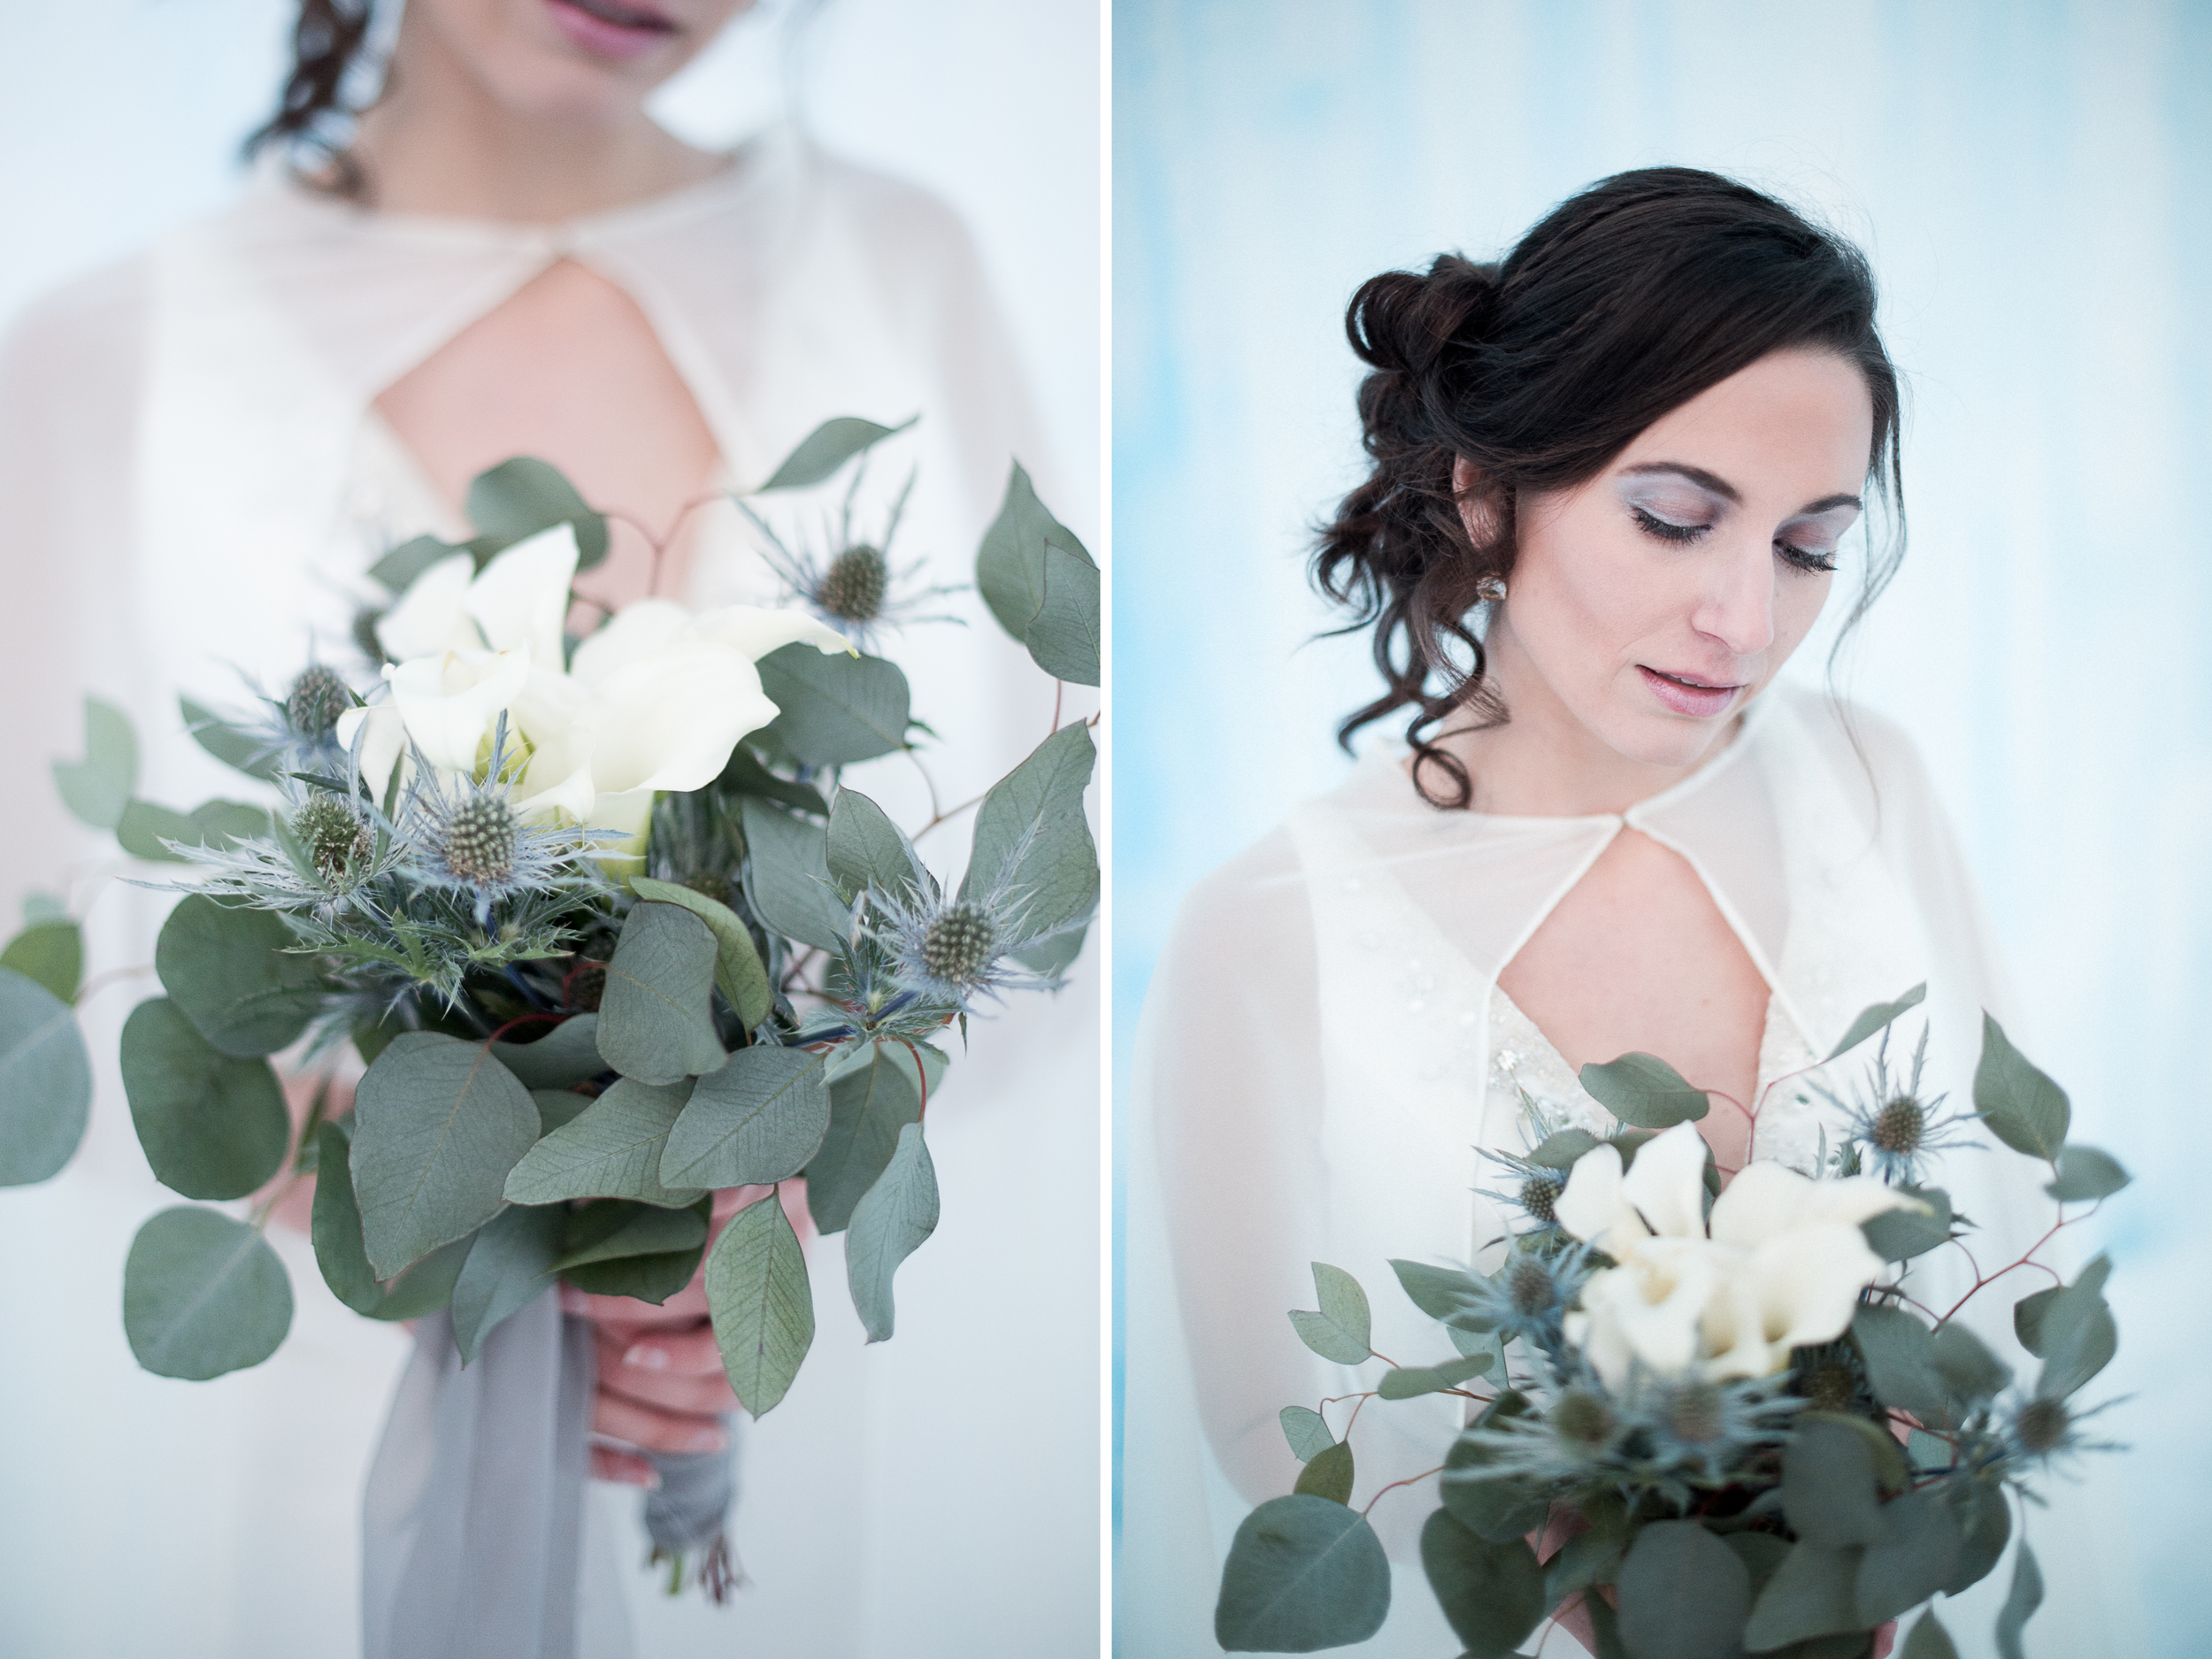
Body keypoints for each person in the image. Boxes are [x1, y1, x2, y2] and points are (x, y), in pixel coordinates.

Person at [0, 1, 1096, 1654]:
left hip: (761, 1385)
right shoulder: (98, 354)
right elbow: (42, 973)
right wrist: (514, 1233)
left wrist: (740, 1198)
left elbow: (1035, 889)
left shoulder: (901, 266)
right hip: (307, 1421)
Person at [1119, 169, 2126, 1656]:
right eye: (1673, 520)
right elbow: (1271, 1438)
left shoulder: (1870, 782)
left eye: (1806, 547)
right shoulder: (1266, 928)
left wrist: (1882, 1518)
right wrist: (1590, 1574)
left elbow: (2015, 1255)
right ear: (1484, 487)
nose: (1748, 622)